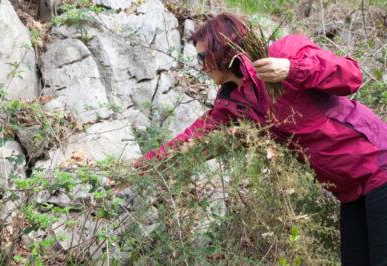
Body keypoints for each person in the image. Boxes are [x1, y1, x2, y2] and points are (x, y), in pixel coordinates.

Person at [136, 13, 387, 265]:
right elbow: (190, 140)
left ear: (222, 48)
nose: (201, 66)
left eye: (203, 57)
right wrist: (142, 168)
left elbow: (351, 75)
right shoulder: (235, 103)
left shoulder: (285, 52)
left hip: (378, 166)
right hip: (349, 190)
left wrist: (292, 69)